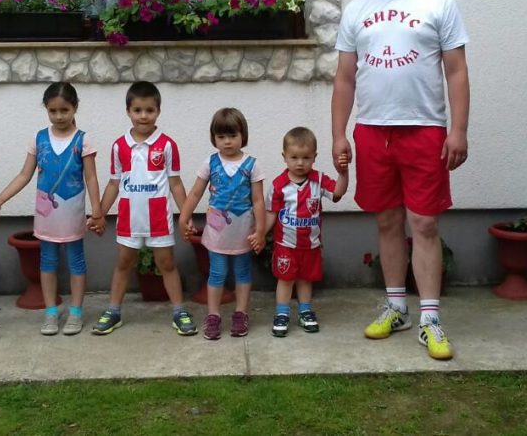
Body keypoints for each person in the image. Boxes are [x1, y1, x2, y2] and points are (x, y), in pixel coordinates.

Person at [331, 0, 470, 361]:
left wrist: (459, 129)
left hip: (425, 129)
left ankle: (430, 318)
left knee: (424, 223)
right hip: (373, 130)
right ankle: (397, 308)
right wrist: (338, 133)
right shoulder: (356, 10)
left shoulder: (438, 2)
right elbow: (345, 77)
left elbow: (456, 71)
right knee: (387, 221)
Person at [0, 82, 104, 336]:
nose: (59, 116)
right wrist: (0, 199)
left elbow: (91, 178)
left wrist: (97, 210)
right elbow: (24, 174)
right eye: (53, 111)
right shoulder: (39, 138)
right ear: (46, 109)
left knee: (76, 261)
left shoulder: (83, 140)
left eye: (64, 110)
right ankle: (51, 312)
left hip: (73, 212)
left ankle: (76, 312)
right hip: (47, 215)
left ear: (75, 108)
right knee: (47, 261)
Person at [91, 81, 197, 336]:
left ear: (158, 111)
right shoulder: (120, 146)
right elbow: (114, 183)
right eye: (137, 110)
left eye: (149, 110)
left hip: (158, 218)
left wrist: (186, 216)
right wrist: (99, 214)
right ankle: (113, 311)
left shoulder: (167, 145)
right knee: (124, 263)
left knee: (167, 263)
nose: (143, 116)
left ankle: (179, 311)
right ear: (128, 111)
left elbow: (175, 183)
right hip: (129, 219)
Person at [179, 108, 266, 340]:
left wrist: (260, 231)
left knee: (242, 272)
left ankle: (241, 314)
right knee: (217, 273)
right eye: (221, 136)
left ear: (243, 135)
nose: (227, 141)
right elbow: (195, 193)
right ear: (214, 138)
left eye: (232, 135)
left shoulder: (252, 165)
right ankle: (213, 315)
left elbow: (258, 200)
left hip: (243, 232)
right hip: (217, 232)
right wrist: (183, 217)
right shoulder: (210, 163)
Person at [265, 127, 348, 337]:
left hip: (310, 245)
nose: (300, 163)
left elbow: (338, 192)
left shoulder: (319, 180)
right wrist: (259, 234)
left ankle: (305, 311)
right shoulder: (278, 186)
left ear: (314, 157)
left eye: (306, 157)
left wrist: (343, 173)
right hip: (286, 245)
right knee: (285, 280)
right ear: (284, 157)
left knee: (305, 279)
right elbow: (271, 214)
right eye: (294, 157)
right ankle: (282, 313)